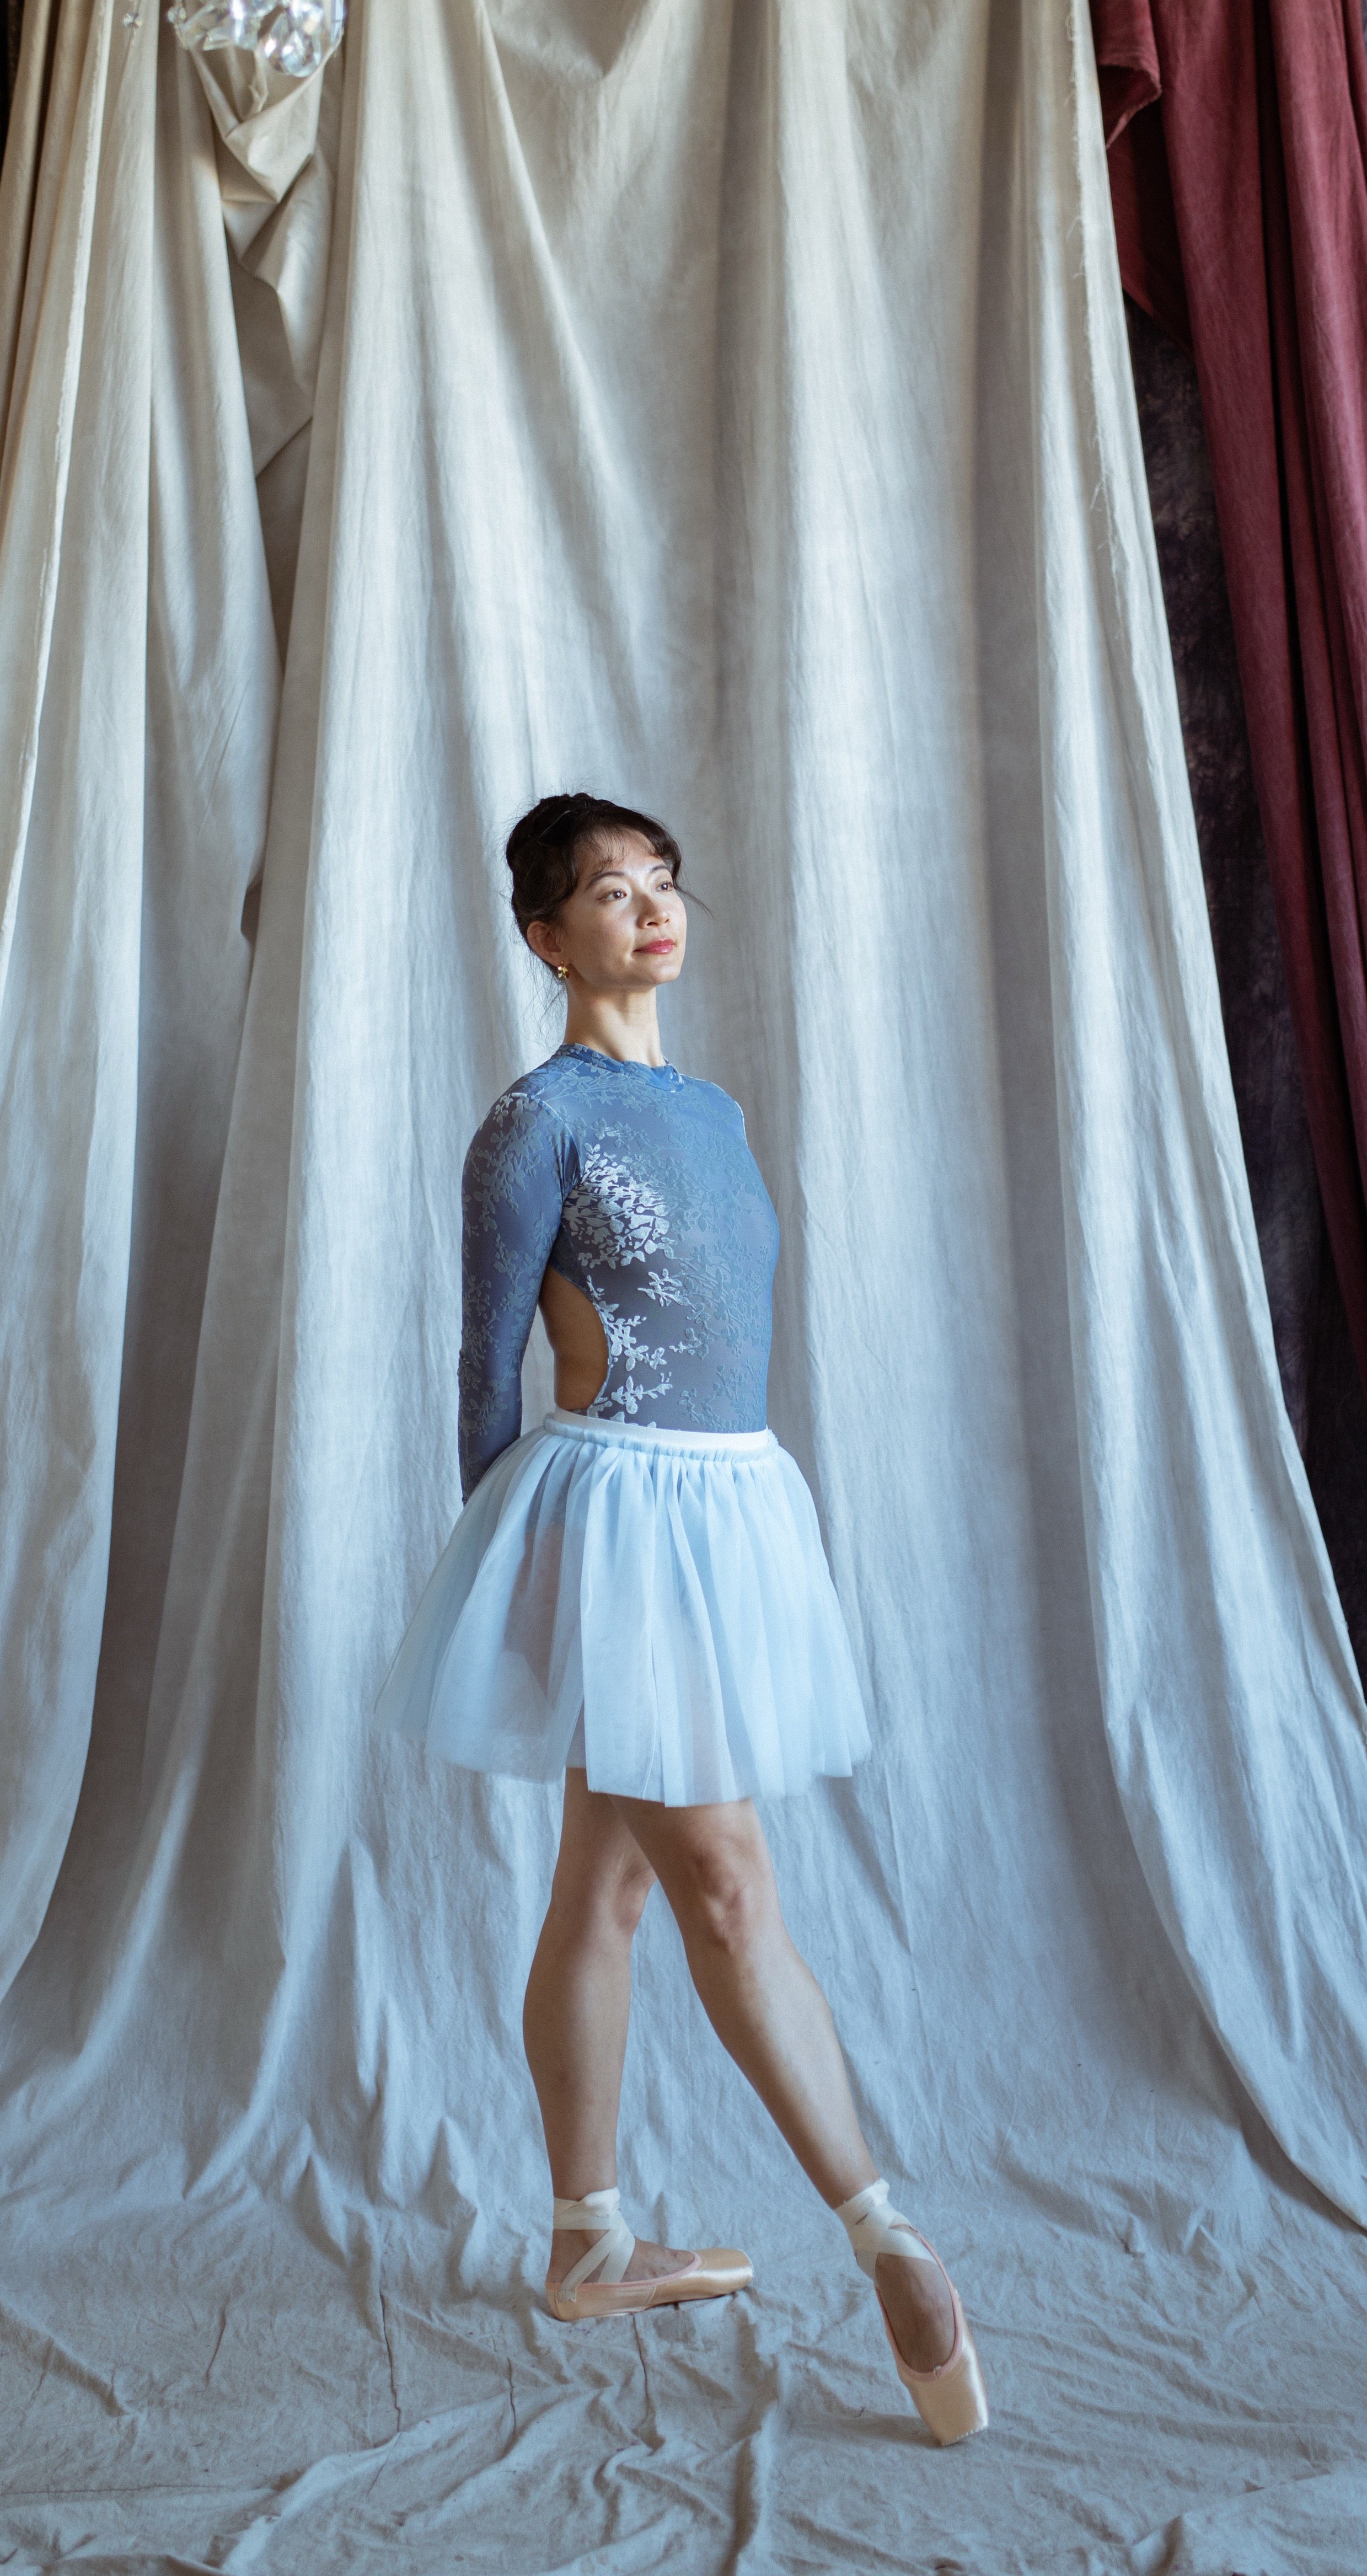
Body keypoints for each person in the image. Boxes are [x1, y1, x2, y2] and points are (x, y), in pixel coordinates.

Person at [374, 791, 988, 2446]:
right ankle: (887, 2234)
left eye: (662, 881)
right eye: (606, 889)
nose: (650, 907)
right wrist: (517, 1578)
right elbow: (484, 1361)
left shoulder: (711, 1112)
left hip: (735, 1510)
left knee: (613, 1881)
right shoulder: (534, 1124)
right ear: (543, 936)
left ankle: (588, 2243)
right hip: (616, 1526)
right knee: (727, 1881)